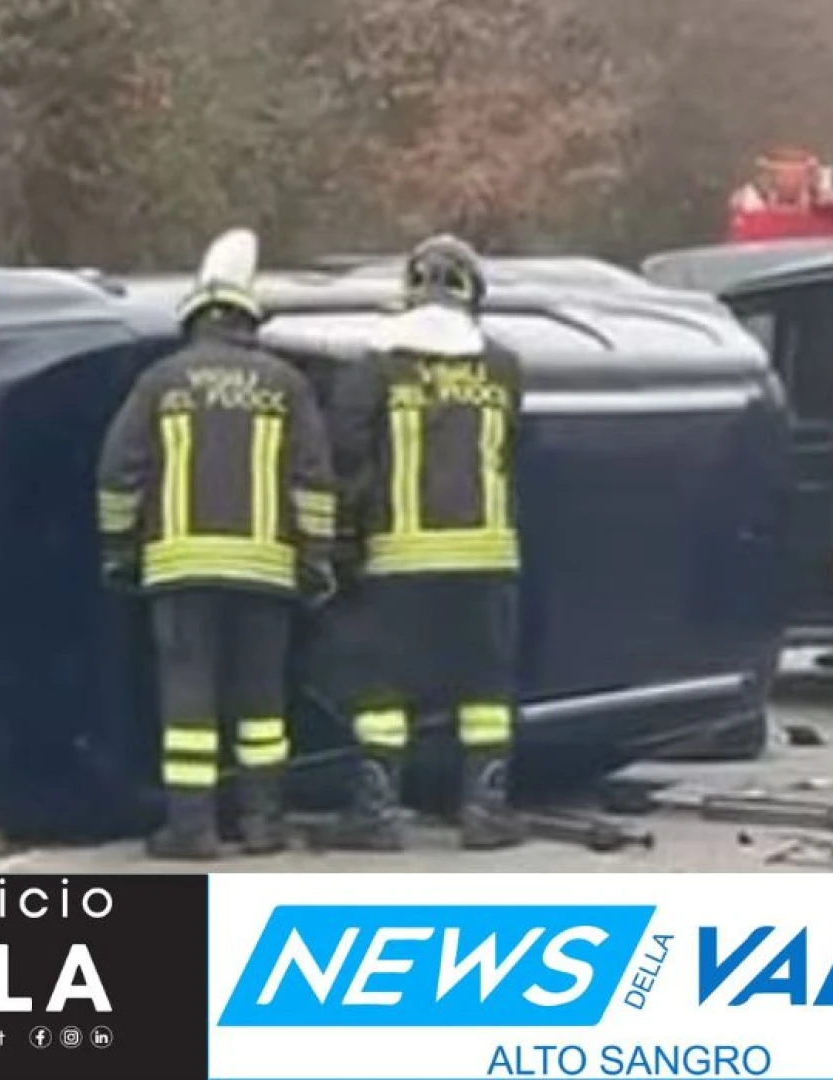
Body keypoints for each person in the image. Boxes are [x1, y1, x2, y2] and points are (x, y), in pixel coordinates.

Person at [95, 228, 338, 860]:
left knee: (188, 706)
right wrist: (315, 559)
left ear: (194, 319)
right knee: (262, 706)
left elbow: (119, 472)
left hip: (180, 573)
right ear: (250, 320)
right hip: (266, 574)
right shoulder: (285, 385)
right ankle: (263, 824)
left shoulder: (159, 382)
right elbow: (314, 480)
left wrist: (121, 549)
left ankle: (192, 829)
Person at [321, 233, 529, 851]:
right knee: (485, 689)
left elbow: (344, 456)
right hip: (488, 557)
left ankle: (375, 813)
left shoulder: (376, 367)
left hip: (399, 559)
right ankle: (485, 810)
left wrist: (341, 542)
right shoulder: (503, 367)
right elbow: (513, 453)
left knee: (382, 690)